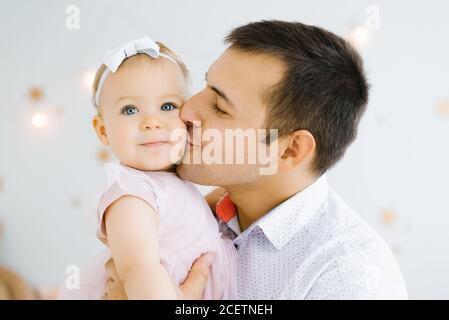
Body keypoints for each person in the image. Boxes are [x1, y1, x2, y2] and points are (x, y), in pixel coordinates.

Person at [104, 21, 408, 300]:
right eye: (206, 87)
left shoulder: (347, 279)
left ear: (290, 150)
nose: (186, 112)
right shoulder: (182, 210)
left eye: (220, 108)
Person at [58, 36, 238, 300]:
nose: (151, 122)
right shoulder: (131, 195)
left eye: (167, 106)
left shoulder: (175, 180)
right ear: (103, 130)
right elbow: (138, 269)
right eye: (130, 110)